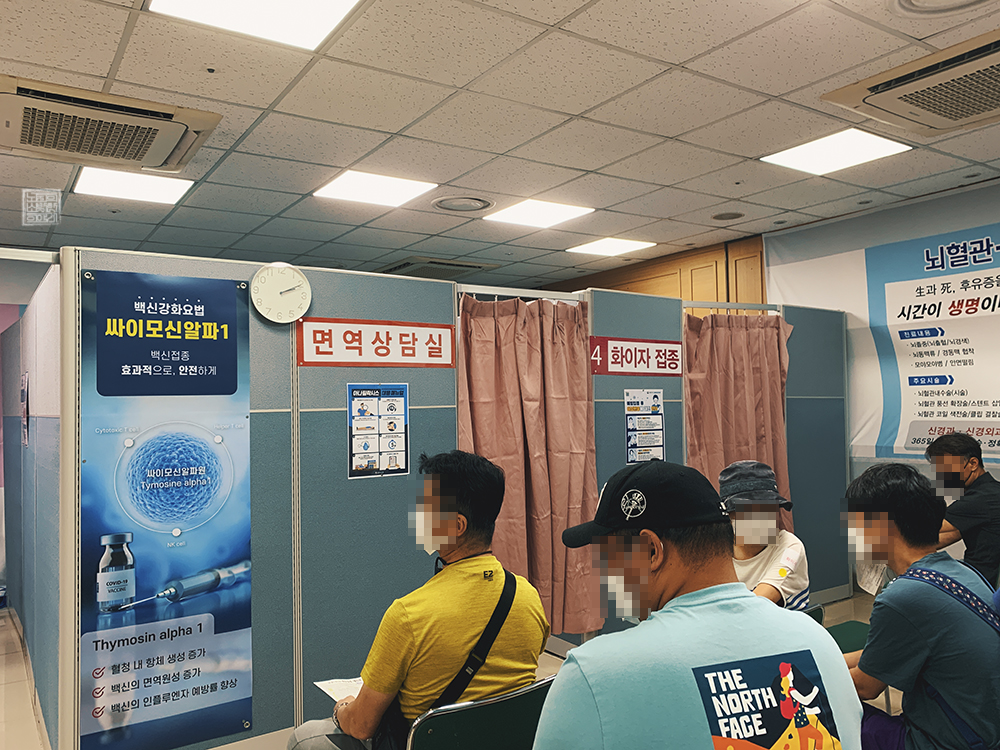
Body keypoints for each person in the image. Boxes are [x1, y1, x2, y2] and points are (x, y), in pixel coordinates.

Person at [533, 460, 862, 750]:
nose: (604, 573)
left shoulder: (592, 673)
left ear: (651, 551)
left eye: (607, 556)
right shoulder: (819, 644)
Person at [288, 451, 550, 750]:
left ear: (457, 526)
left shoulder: (408, 615)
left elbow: (361, 726)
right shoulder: (528, 597)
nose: (417, 516)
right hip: (504, 740)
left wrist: (342, 709)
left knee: (304, 737)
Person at [843, 463, 1000, 750]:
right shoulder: (962, 572)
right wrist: (827, 657)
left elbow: (865, 686)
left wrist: (806, 674)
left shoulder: (902, 597)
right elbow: (881, 656)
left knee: (825, 709)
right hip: (986, 730)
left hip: (949, 742)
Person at [720, 460, 810, 610]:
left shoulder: (790, 548)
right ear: (728, 514)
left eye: (769, 508)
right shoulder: (716, 548)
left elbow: (754, 605)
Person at [925, 432, 1000, 586]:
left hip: (980, 585)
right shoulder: (991, 490)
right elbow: (939, 537)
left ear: (973, 463)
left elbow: (923, 531)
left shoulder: (980, 499)